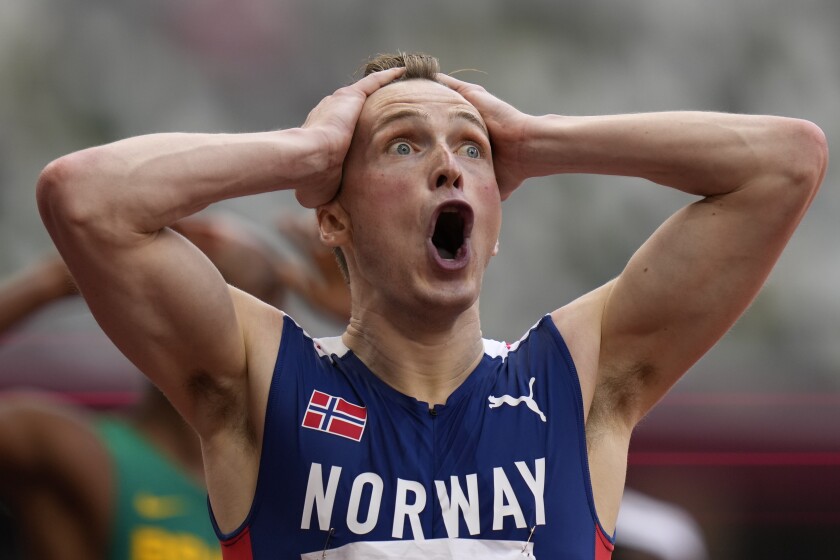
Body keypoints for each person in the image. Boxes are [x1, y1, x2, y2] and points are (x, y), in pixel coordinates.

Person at [34, 53, 827, 559]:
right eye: (404, 145)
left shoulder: (577, 384)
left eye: (471, 149)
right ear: (333, 219)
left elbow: (789, 162)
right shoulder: (261, 379)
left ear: (495, 224)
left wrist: (539, 140)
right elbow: (82, 199)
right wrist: (306, 154)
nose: (448, 166)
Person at [0, 214, 347, 560]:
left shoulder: (309, 488)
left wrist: (363, 321)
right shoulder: (78, 454)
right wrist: (52, 281)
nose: (194, 230)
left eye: (209, 236)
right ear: (149, 316)